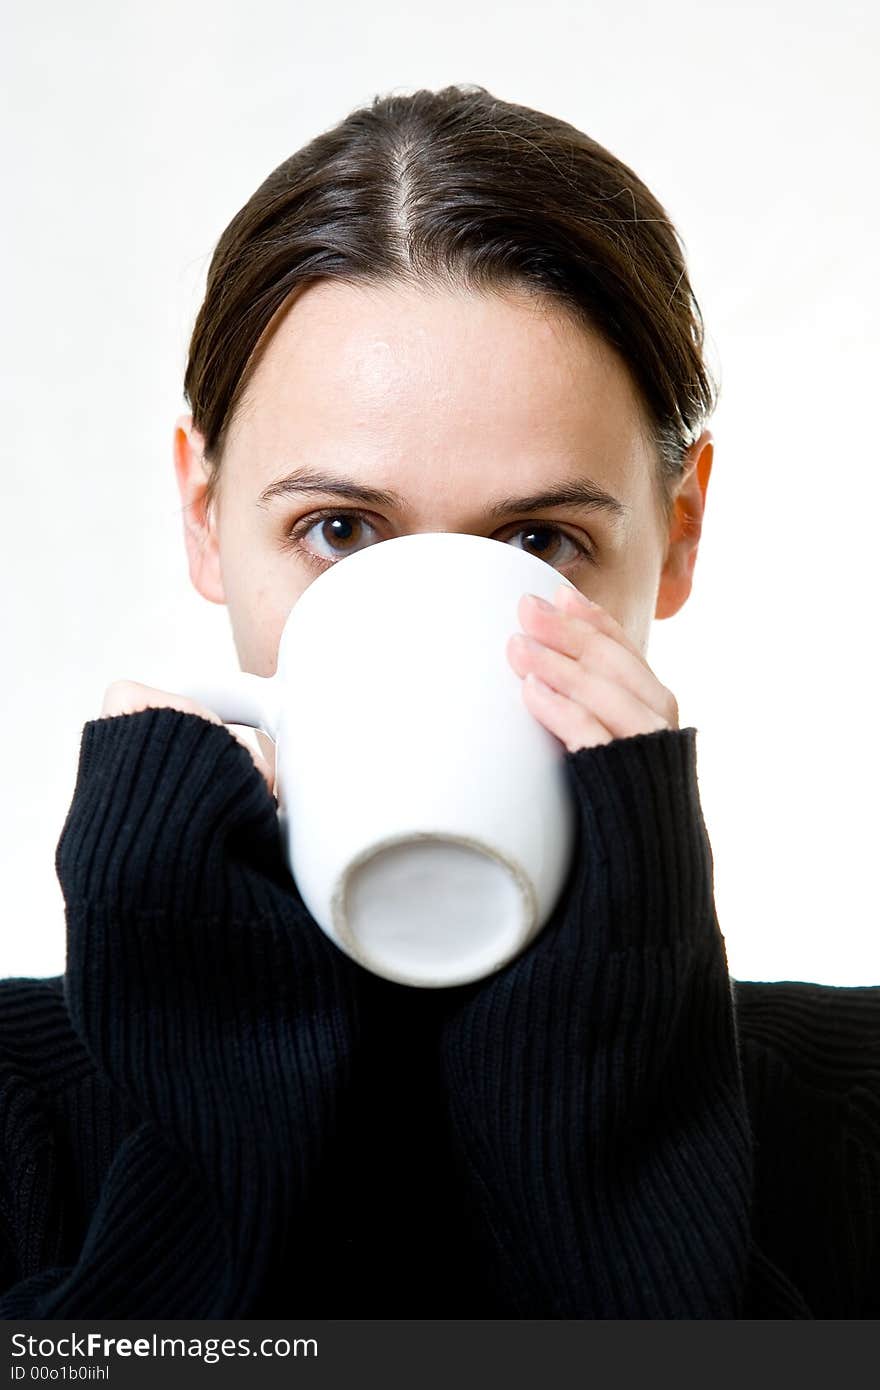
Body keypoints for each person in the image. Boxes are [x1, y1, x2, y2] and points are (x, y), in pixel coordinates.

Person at [1, 83, 877, 1320]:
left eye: (541, 538)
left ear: (678, 537)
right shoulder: (16, 1107)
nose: (431, 612)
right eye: (339, 528)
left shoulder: (853, 1115)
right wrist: (216, 1119)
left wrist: (610, 1114)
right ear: (203, 515)